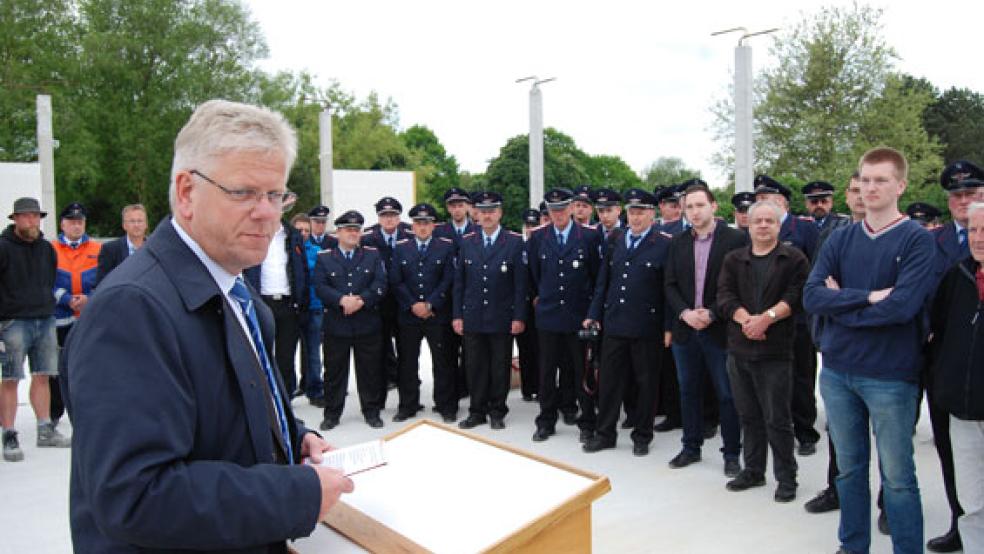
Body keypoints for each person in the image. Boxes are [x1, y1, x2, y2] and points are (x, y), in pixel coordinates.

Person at [59, 100, 353, 551]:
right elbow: (135, 498)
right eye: (243, 193)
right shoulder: (131, 310)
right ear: (186, 192)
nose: (266, 213)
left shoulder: (239, 295)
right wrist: (298, 493)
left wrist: (295, 439)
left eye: (276, 195)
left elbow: (239, 409)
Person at [804, 146, 939, 554]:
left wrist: (842, 303)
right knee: (848, 471)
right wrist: (869, 297)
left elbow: (902, 308)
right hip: (838, 372)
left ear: (900, 185)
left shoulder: (917, 240)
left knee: (897, 477)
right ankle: (852, 546)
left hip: (890, 377)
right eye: (864, 179)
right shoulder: (840, 237)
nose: (870, 187)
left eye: (880, 179)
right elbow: (812, 296)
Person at [717, 200, 810, 503]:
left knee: (777, 418)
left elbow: (796, 296)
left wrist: (766, 319)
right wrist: (747, 320)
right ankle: (753, 470)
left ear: (778, 225)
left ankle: (787, 478)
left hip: (776, 352)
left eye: (770, 221)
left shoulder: (793, 258)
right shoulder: (733, 259)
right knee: (748, 415)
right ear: (748, 224)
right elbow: (725, 296)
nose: (763, 226)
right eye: (758, 221)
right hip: (740, 349)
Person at [664, 184, 747, 476]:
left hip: (720, 329)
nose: (695, 212)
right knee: (688, 391)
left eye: (700, 205)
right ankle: (690, 447)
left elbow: (738, 285)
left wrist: (712, 312)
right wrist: (686, 313)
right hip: (686, 329)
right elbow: (670, 284)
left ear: (713, 206)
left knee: (727, 394)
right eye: (689, 207)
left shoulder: (736, 239)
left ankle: (732, 453)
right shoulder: (677, 242)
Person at [923, 160, 984, 552]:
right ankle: (961, 529)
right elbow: (937, 321)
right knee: (964, 478)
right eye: (956, 195)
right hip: (956, 390)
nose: (977, 236)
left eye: (971, 193)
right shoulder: (936, 245)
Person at [582, 188, 671, 455]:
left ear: (652, 214)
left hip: (647, 325)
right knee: (609, 382)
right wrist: (594, 314)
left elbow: (669, 289)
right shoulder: (615, 239)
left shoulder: (664, 243)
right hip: (615, 323)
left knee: (646, 383)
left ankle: (642, 435)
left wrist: (668, 327)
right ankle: (605, 433)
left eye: (641, 212)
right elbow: (603, 283)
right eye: (632, 212)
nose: (635, 217)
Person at [806, 170, 867, 515]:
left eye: (870, 187)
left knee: (890, 443)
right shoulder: (833, 233)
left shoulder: (905, 236)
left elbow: (897, 301)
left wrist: (842, 297)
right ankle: (837, 489)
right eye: (856, 189)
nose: (862, 195)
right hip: (837, 348)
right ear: (847, 195)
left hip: (883, 352)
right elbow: (815, 294)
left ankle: (887, 503)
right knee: (839, 431)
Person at [527, 188, 602, 444]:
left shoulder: (590, 237)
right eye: (552, 210)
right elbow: (535, 276)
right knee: (546, 373)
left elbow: (595, 276)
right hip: (548, 317)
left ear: (572, 209)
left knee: (582, 373)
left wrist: (591, 313)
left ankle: (587, 422)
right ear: (547, 211)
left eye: (562, 209)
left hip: (578, 316)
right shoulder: (537, 237)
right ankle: (546, 420)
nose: (557, 214)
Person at [754, 175, 821, 456]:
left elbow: (814, 272)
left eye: (766, 200)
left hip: (797, 320)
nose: (761, 208)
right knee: (769, 381)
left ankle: (805, 432)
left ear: (781, 202)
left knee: (801, 379)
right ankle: (776, 431)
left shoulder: (803, 229)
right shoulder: (757, 231)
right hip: (764, 321)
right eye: (758, 202)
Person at [1, 197, 70, 462]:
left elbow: (49, 280)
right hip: (12, 322)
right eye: (26, 216)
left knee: (43, 376)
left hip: (45, 318)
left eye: (36, 216)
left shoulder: (46, 249)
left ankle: (45, 428)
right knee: (11, 378)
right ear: (15, 219)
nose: (32, 221)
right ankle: (9, 433)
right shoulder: (3, 248)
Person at [452, 191, 528, 430]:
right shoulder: (467, 241)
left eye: (491, 211)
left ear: (500, 213)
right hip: (473, 316)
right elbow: (459, 283)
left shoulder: (514, 242)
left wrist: (519, 316)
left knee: (499, 366)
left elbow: (520, 285)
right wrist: (457, 315)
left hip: (501, 316)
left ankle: (497, 410)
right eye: (483, 212)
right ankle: (477, 411)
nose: (487, 216)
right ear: (477, 214)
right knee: (474, 366)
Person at [315, 210, 388, 430]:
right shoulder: (325, 257)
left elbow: (381, 284)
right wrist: (341, 300)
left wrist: (361, 300)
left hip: (367, 322)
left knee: (370, 371)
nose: (353, 233)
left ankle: (371, 412)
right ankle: (332, 414)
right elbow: (319, 286)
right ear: (338, 232)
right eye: (348, 230)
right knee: (334, 372)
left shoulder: (372, 255)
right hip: (337, 325)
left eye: (356, 230)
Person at [389, 203, 456, 423]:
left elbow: (448, 279)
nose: (423, 227)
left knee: (443, 361)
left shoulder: (445, 246)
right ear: (412, 226)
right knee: (407, 362)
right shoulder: (401, 247)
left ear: (434, 225)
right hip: (409, 316)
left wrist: (431, 304)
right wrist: (413, 305)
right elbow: (396, 280)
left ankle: (446, 405)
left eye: (427, 223)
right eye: (418, 223)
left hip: (437, 315)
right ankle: (408, 405)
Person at [244, 209, 309, 397]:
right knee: (260, 354)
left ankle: (285, 400)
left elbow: (302, 269)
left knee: (286, 357)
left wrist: (300, 301)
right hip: (262, 303)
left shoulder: (292, 235)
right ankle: (264, 399)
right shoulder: (254, 234)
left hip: (288, 305)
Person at [51, 202, 101, 426]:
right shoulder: (50, 249)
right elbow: (45, 282)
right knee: (58, 367)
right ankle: (55, 412)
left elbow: (106, 278)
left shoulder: (98, 249)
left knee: (88, 366)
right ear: (62, 224)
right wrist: (66, 299)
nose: (76, 225)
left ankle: (87, 410)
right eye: (71, 222)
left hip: (88, 316)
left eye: (80, 222)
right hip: (60, 317)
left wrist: (88, 298)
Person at [362, 196, 412, 400]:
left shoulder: (409, 234)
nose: (389, 219)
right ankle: (380, 391)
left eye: (392, 215)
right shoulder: (368, 238)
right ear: (379, 218)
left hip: (405, 302)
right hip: (379, 303)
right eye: (384, 215)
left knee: (406, 349)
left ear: (399, 217)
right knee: (379, 349)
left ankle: (408, 391)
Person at [433, 187, 477, 400]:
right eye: (453, 205)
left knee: (471, 351)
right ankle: (450, 392)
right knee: (447, 350)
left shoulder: (478, 230)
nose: (457, 209)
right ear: (448, 208)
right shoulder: (439, 232)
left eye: (461, 205)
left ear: (468, 206)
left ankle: (468, 387)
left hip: (472, 298)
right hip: (445, 299)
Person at [292, 213, 326, 408]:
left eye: (307, 230)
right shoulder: (287, 252)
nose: (303, 233)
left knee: (313, 351)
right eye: (299, 230)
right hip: (292, 309)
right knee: (288, 352)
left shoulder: (317, 251)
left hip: (314, 307)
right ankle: (290, 387)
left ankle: (315, 388)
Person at [517, 208, 543, 402]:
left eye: (535, 225)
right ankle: (528, 387)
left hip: (540, 304)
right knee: (524, 348)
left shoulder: (543, 244)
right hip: (523, 305)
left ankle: (541, 387)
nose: (531, 229)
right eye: (528, 226)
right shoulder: (519, 245)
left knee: (541, 349)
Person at [95, 203, 148, 285]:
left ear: (146, 224)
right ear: (124, 225)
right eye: (132, 221)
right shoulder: (110, 250)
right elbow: (101, 283)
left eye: (140, 221)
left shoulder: (154, 249)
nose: (136, 225)